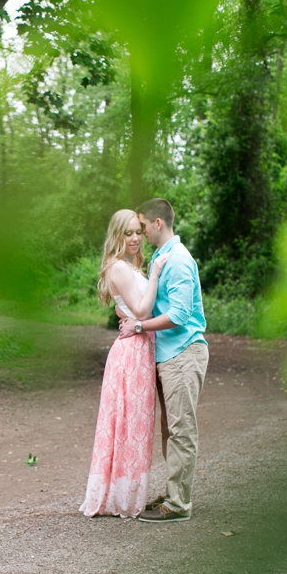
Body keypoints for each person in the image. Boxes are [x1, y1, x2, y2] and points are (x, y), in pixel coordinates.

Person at [119, 198, 208, 523]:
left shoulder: (179, 261)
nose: (139, 232)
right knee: (170, 428)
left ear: (158, 223)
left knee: (181, 428)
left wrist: (139, 325)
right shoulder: (161, 257)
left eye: (142, 226)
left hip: (184, 352)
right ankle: (173, 494)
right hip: (167, 355)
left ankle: (178, 505)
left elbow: (180, 315)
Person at [79, 209, 169, 518]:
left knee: (138, 424)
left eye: (136, 232)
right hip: (131, 354)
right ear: (117, 235)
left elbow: (134, 312)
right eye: (127, 233)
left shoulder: (132, 266)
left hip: (141, 349)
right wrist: (155, 274)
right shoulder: (118, 268)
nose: (133, 238)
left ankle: (128, 495)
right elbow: (142, 312)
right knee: (128, 424)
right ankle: (120, 497)